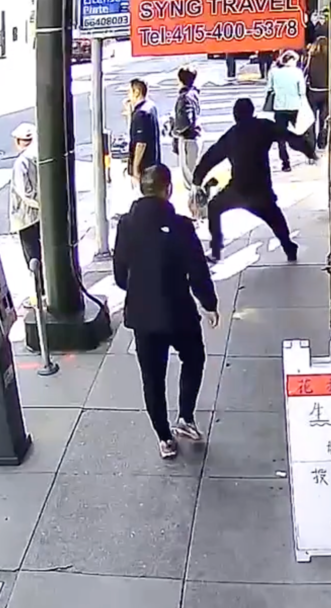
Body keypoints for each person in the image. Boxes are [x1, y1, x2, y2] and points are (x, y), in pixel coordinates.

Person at [112, 164, 220, 459]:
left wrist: (137, 289)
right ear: (168, 189)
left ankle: (164, 438)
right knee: (194, 357)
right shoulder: (182, 227)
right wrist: (208, 304)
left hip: (143, 317)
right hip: (179, 312)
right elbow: (197, 270)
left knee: (152, 377)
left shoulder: (126, 224)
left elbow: (120, 272)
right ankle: (185, 417)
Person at [193, 98, 317, 263]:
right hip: (261, 191)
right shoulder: (263, 126)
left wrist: (197, 179)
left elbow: (211, 156)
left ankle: (216, 250)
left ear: (235, 115)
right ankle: (289, 247)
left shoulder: (231, 134)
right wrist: (309, 151)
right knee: (276, 219)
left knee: (214, 207)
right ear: (252, 112)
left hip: (237, 190)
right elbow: (289, 137)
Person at [8, 122, 41, 309]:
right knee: (39, 255)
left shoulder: (22, 162)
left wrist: (39, 205)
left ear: (21, 141)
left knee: (32, 259)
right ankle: (42, 291)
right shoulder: (39, 155)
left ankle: (37, 296)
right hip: (40, 216)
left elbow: (25, 193)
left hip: (27, 217)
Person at [265, 50, 306, 172]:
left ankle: (285, 163)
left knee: (280, 138)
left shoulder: (273, 72)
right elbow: (302, 91)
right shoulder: (298, 72)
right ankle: (305, 154)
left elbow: (269, 88)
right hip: (295, 107)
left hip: (279, 108)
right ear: (292, 60)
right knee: (299, 132)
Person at [172, 67, 202, 195]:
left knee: (190, 178)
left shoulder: (184, 98)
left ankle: (196, 205)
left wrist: (174, 130)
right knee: (194, 172)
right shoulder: (193, 93)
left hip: (188, 139)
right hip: (195, 137)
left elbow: (185, 122)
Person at [127, 78, 161, 187]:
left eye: (129, 92)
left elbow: (141, 143)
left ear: (136, 92)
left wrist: (135, 167)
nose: (128, 96)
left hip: (144, 166)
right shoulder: (151, 106)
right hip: (153, 162)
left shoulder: (141, 113)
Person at [305, 37, 329, 150]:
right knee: (324, 118)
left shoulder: (311, 56)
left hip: (313, 92)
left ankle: (312, 142)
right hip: (327, 91)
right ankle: (322, 141)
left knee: (312, 119)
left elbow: (306, 71)